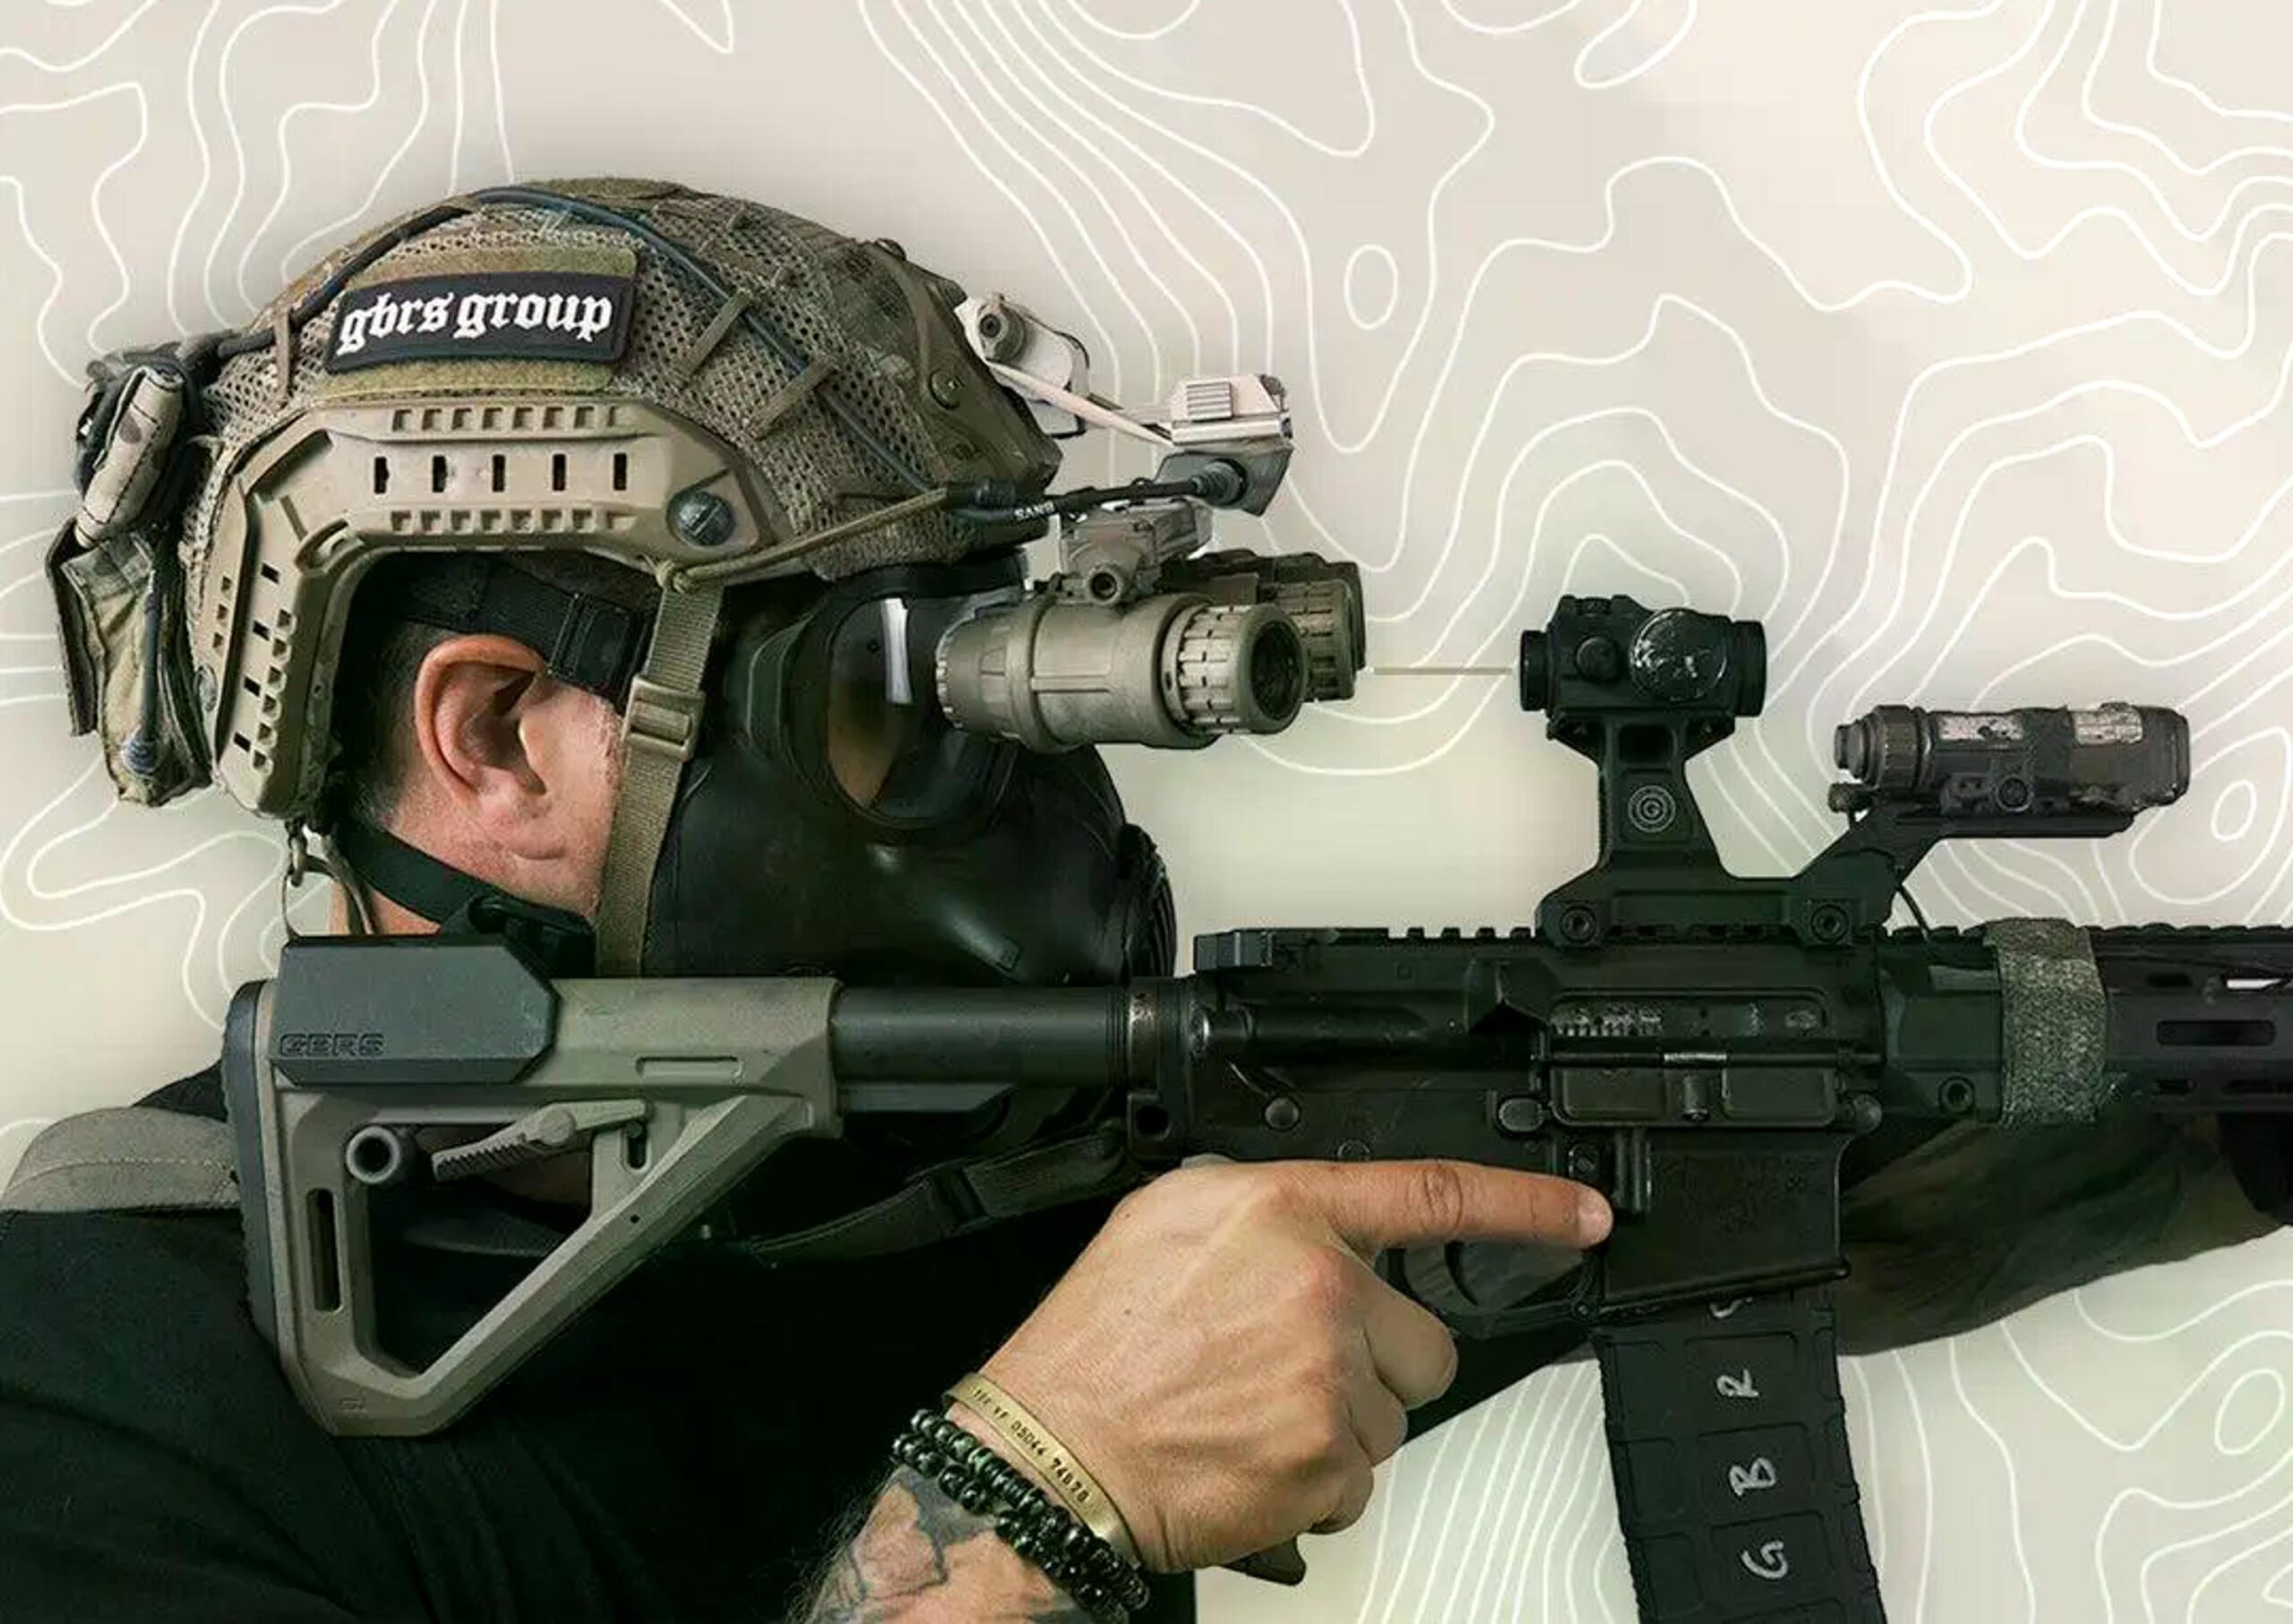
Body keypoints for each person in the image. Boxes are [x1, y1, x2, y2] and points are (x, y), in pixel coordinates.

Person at [4, 175, 2282, 1623]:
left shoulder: (992, 1169)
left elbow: (1923, 1152)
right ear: (499, 742)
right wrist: (1031, 1497)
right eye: (897, 695)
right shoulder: (79, 1406)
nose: (1025, 797)